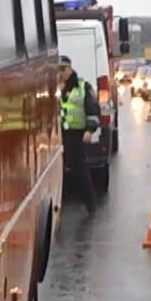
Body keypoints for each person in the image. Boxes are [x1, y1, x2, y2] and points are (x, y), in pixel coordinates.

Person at [57, 55, 99, 210]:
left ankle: (90, 205)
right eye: (58, 70)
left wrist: (89, 130)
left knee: (80, 170)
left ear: (70, 68)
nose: (60, 73)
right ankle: (61, 206)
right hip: (59, 135)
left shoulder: (82, 86)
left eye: (63, 69)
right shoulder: (54, 88)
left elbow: (93, 110)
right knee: (58, 171)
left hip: (77, 134)